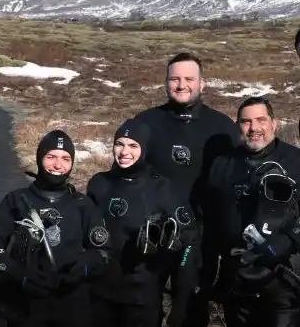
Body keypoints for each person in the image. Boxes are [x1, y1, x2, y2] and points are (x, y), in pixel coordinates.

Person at [134, 52, 240, 326]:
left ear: (202, 83)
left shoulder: (222, 128)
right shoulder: (145, 122)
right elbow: (124, 175)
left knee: (191, 312)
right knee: (144, 309)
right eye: (175, 79)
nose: (182, 85)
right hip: (152, 234)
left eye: (189, 79)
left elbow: (235, 185)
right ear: (165, 82)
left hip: (201, 240)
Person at [0, 130, 111, 327]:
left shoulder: (82, 205)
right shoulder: (16, 200)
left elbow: (104, 252)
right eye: (51, 156)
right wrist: (18, 275)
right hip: (24, 305)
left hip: (72, 306)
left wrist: (85, 266)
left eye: (65, 158)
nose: (58, 165)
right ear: (39, 158)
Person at [86, 118, 200, 327]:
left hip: (142, 298)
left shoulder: (163, 189)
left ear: (145, 149)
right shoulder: (99, 183)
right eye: (119, 143)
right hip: (99, 295)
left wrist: (181, 302)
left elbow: (189, 243)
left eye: (133, 145)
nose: (124, 152)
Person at [205, 97, 300, 326]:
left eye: (261, 120)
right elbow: (210, 216)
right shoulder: (222, 165)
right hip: (237, 279)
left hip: (284, 279)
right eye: (246, 122)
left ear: (274, 123)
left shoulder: (296, 160)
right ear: (238, 125)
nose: (254, 128)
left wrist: (285, 241)